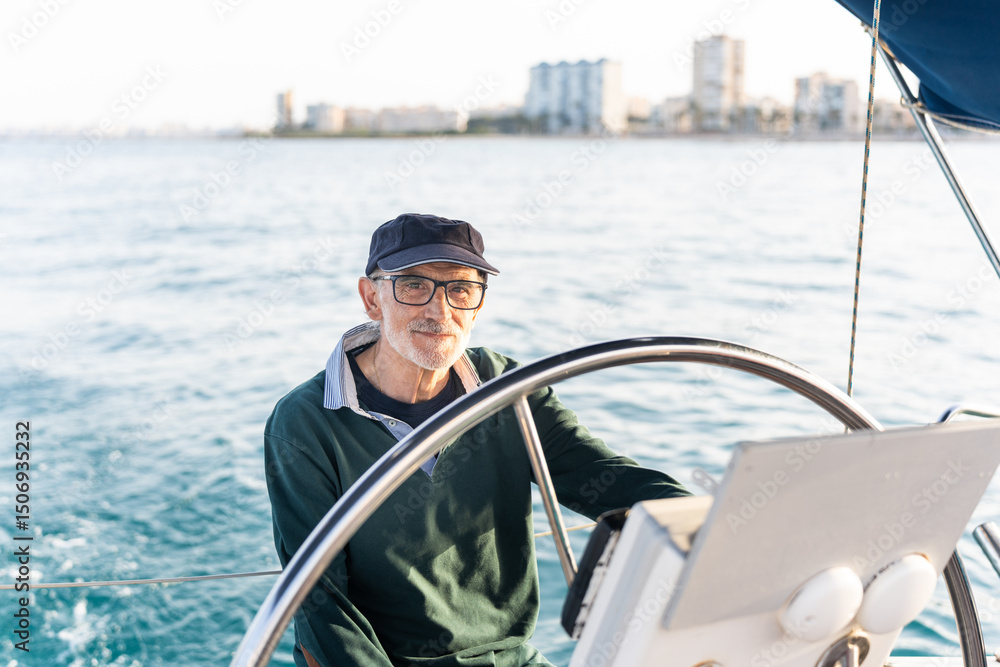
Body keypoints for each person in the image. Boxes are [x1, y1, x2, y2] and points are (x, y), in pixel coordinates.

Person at [264, 213, 689, 667]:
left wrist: (709, 525)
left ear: (479, 304)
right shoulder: (305, 423)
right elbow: (320, 601)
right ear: (372, 298)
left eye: (461, 290)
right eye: (413, 286)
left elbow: (603, 477)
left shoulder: (508, 387)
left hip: (509, 658)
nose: (439, 311)